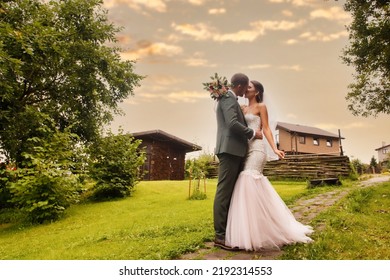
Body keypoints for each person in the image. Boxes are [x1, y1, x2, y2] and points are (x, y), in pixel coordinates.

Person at [225, 80, 313, 251]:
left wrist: (275, 148)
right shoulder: (241, 108)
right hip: (245, 150)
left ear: (256, 92)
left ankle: (257, 232)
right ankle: (255, 229)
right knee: (250, 186)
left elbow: (266, 129)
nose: (246, 89)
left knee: (247, 179)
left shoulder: (261, 107)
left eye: (249, 87)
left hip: (258, 150)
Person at [213, 73, 263, 250]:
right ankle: (220, 236)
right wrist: (252, 133)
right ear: (240, 86)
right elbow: (232, 123)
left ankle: (228, 231)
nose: (246, 89)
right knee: (224, 192)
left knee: (230, 192)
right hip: (229, 150)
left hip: (235, 150)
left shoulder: (229, 98)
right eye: (246, 86)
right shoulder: (227, 97)